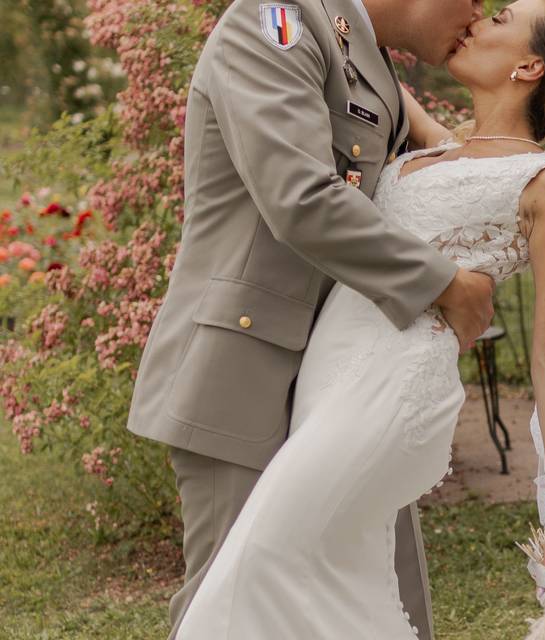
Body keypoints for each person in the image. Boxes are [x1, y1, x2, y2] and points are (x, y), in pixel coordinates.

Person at [177, 0, 545, 638]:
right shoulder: (404, 120)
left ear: (529, 64)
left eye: (500, 16)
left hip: (394, 389)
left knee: (254, 570)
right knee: (335, 585)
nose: (478, 16)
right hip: (320, 376)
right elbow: (331, 140)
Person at [125, 1, 493, 639]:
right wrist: (442, 284)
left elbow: (446, 166)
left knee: (376, 597)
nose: (480, 10)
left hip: (348, 377)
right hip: (247, 371)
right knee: (235, 608)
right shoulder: (275, 22)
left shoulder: (369, 58)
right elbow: (297, 195)